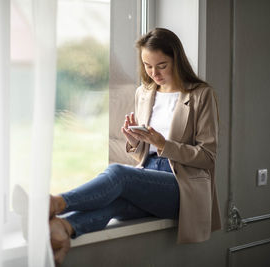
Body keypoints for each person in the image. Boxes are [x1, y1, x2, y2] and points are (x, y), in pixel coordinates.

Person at [15, 28, 222, 265]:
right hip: (150, 174)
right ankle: (62, 229)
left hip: (183, 187)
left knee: (117, 174)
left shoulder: (201, 95)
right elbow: (144, 154)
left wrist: (163, 144)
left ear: (177, 59)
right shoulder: (144, 93)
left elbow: (208, 156)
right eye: (147, 65)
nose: (154, 73)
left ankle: (53, 204)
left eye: (161, 65)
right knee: (114, 203)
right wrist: (135, 142)